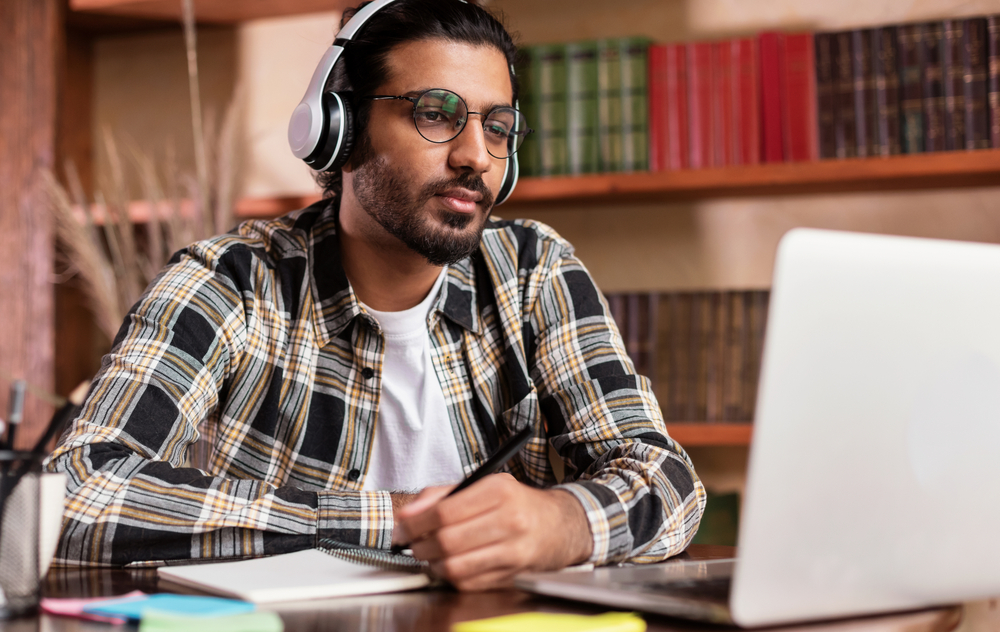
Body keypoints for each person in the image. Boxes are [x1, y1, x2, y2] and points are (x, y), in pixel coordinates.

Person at [46, 0, 705, 591]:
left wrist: (562, 524)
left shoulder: (533, 270)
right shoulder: (231, 281)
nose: (477, 154)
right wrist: (399, 519)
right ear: (337, 128)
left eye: (498, 127)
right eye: (436, 115)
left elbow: (668, 481)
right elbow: (75, 495)